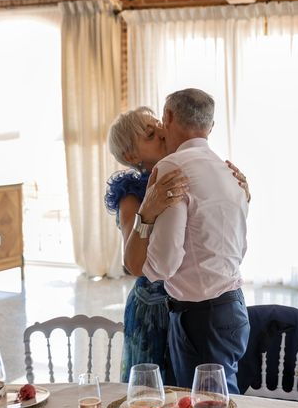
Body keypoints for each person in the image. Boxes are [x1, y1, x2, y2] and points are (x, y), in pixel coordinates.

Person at [106, 106, 249, 384]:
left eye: (159, 126)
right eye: (150, 134)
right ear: (131, 155)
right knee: (155, 393)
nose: (161, 133)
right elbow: (131, 262)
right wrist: (148, 209)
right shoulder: (132, 195)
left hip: (196, 302)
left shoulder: (190, 171)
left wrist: (241, 194)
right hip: (153, 308)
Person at [142, 88, 250, 392]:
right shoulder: (230, 173)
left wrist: (142, 259)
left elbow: (164, 263)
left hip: (200, 319)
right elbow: (239, 247)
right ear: (210, 127)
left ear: (168, 117)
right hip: (233, 308)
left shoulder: (172, 168)